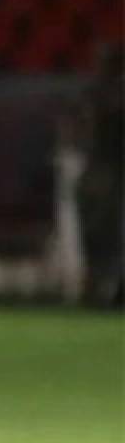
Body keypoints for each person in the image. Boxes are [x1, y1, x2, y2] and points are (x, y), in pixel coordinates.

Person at [73, 45, 123, 308]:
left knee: (113, 233)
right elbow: (77, 128)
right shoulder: (92, 95)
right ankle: (95, 281)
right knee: (92, 231)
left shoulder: (116, 96)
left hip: (113, 170)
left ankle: (113, 285)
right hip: (95, 169)